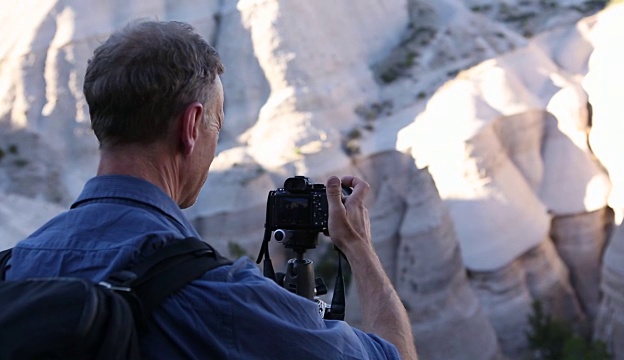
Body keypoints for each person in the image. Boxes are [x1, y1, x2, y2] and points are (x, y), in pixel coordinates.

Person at [5, 20, 417, 360]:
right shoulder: (221, 298)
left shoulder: (13, 269)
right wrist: (359, 247)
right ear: (190, 126)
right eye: (216, 125)